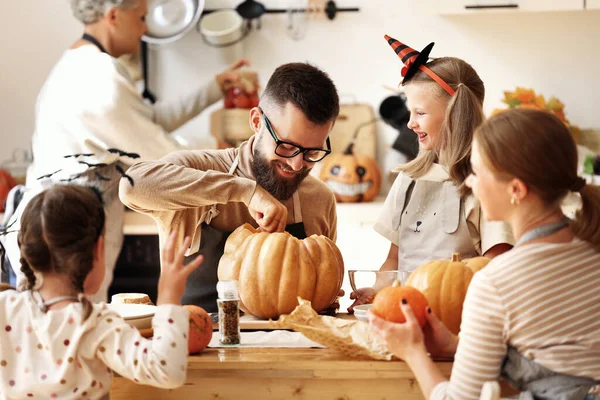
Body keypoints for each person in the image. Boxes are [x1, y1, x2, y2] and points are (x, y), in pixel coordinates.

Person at [2, 0, 248, 302]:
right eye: (142, 17)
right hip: (64, 241)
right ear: (114, 16)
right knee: (72, 337)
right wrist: (228, 161)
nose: (145, 29)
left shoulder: (78, 64)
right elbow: (160, 154)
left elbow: (147, 121)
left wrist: (213, 88)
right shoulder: (100, 79)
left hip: (46, 229)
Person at [370, 108, 600, 400]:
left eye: (477, 173)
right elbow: (564, 354)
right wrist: (457, 346)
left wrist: (413, 351)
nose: (468, 182)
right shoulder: (593, 249)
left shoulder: (495, 282)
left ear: (516, 189)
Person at [119, 62, 340, 313]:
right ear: (257, 121)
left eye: (312, 152)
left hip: (291, 349)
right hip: (200, 344)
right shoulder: (200, 169)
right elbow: (131, 185)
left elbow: (320, 298)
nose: (297, 164)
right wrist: (246, 191)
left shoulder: (319, 199)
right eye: (287, 146)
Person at [349, 36, 513, 311]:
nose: (410, 123)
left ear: (454, 115)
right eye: (409, 112)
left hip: (459, 318)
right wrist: (377, 290)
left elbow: (496, 266)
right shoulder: (408, 179)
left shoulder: (485, 185)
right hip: (406, 314)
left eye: (420, 113)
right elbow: (394, 261)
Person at [0, 184, 205, 398]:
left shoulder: (5, 307)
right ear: (99, 249)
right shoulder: (95, 324)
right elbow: (166, 371)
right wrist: (168, 297)